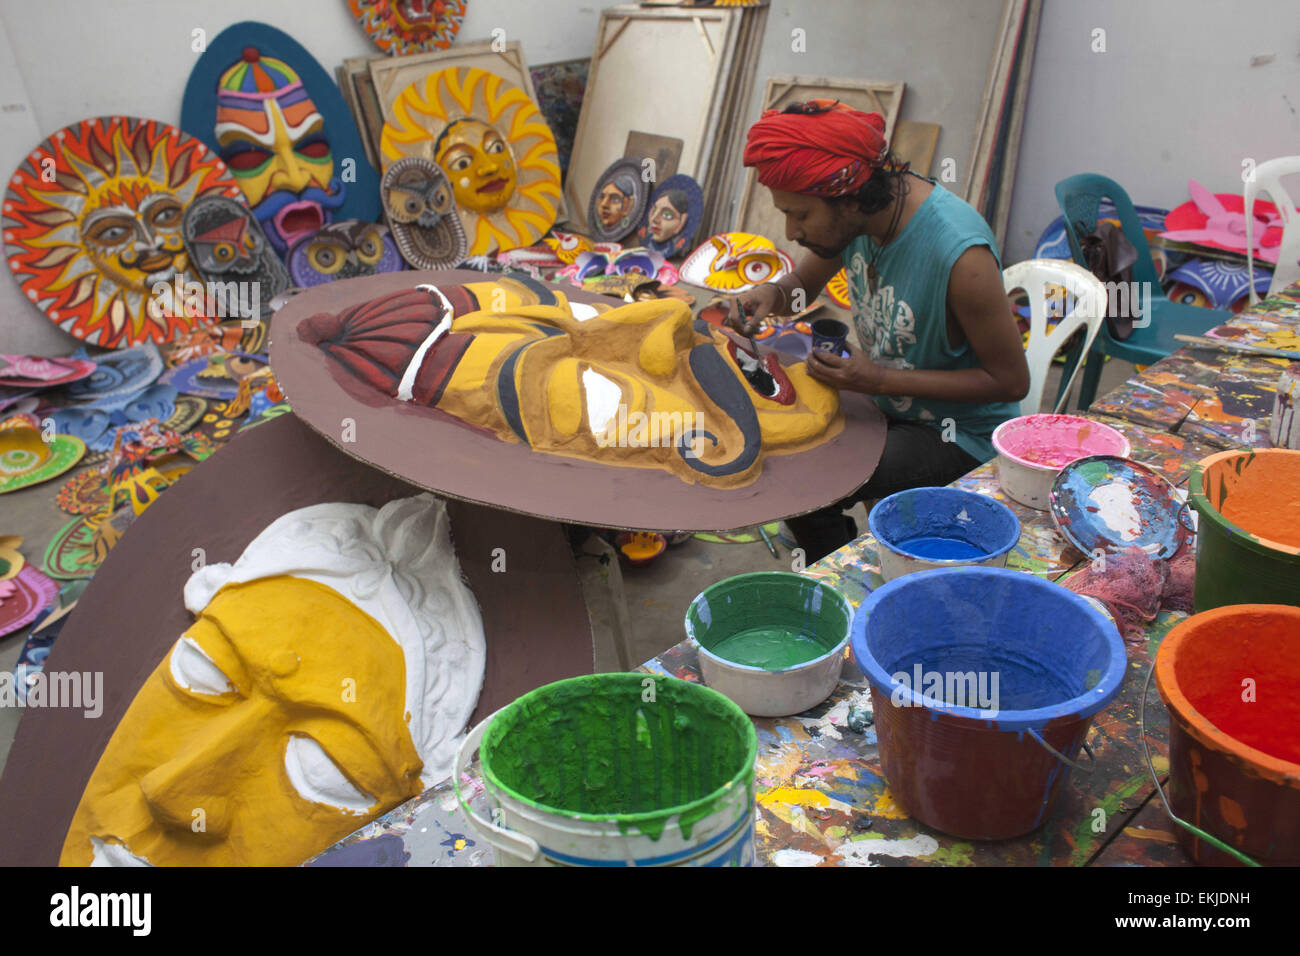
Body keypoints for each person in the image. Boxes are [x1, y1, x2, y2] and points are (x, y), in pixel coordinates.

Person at [729, 100, 1029, 562]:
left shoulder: (959, 255)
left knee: (803, 474)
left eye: (801, 216)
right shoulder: (855, 218)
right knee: (775, 429)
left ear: (849, 198)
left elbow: (1010, 382)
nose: (791, 231)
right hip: (883, 400)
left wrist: (878, 380)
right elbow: (800, 287)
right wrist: (771, 293)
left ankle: (839, 577)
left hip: (958, 432)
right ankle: (838, 553)